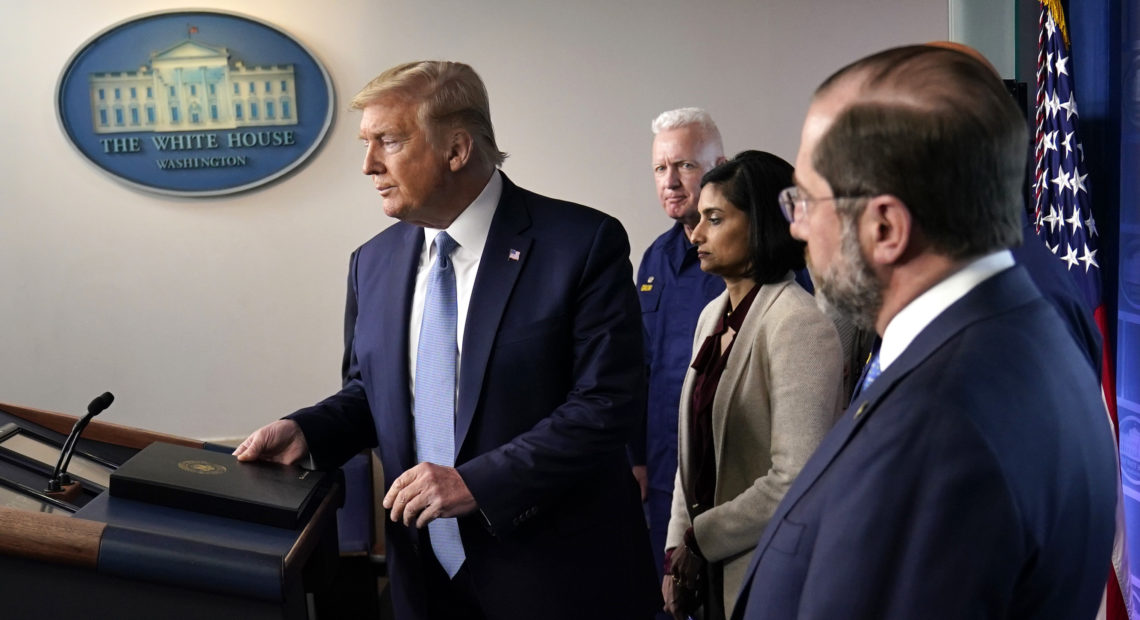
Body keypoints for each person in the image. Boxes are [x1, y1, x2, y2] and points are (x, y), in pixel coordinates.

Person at [234, 60, 658, 620]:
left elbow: (608, 403)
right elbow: (373, 393)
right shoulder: (373, 263)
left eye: (387, 141)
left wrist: (476, 483)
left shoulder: (581, 244)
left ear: (456, 150)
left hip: (560, 580)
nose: (368, 165)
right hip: (425, 586)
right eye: (366, 143)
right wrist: (306, 431)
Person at [732, 45, 1117, 619]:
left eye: (807, 200)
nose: (797, 226)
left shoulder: (938, 429)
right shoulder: (1018, 327)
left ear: (885, 226)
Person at [662, 151, 845, 620]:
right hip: (704, 571)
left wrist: (699, 540)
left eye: (715, 219)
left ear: (761, 222)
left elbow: (795, 477)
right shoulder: (711, 316)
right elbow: (692, 458)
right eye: (699, 218)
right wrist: (674, 556)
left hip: (767, 573)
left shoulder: (798, 324)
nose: (696, 234)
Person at [634, 108, 726, 597]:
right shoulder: (654, 258)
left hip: (725, 467)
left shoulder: (752, 250)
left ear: (718, 165)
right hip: (661, 467)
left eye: (685, 166)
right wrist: (634, 457)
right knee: (665, 595)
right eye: (660, 168)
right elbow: (636, 364)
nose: (670, 180)